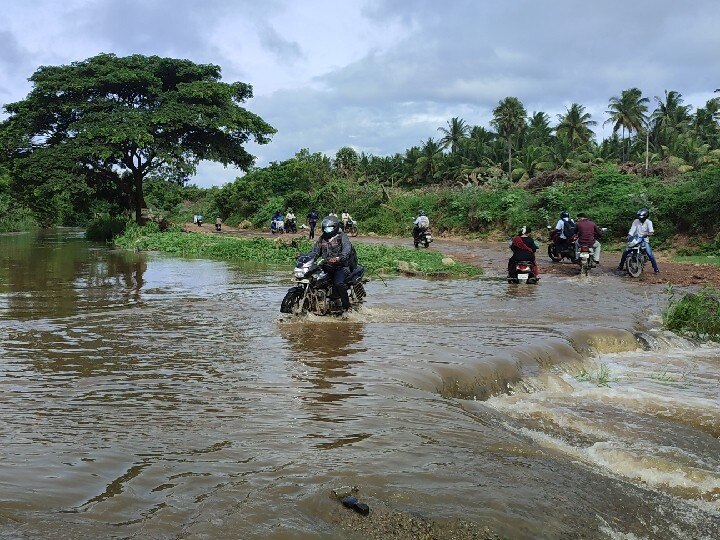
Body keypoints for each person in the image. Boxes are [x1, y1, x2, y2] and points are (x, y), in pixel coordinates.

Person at [307, 215, 353, 313]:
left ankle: (347, 308)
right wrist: (307, 257)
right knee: (313, 280)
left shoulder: (342, 237)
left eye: (330, 228)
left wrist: (340, 257)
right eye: (325, 228)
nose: (327, 230)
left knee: (339, 283)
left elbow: (347, 248)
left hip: (340, 266)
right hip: (326, 266)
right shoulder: (322, 239)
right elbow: (315, 252)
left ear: (335, 227)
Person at [617, 208, 660, 273]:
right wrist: (629, 235)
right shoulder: (636, 221)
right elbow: (632, 230)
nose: (641, 219)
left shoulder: (649, 222)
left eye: (642, 217)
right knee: (626, 251)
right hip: (635, 239)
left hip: (644, 240)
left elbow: (651, 232)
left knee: (650, 254)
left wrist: (647, 234)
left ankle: (656, 269)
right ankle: (621, 265)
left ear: (646, 216)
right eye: (640, 217)